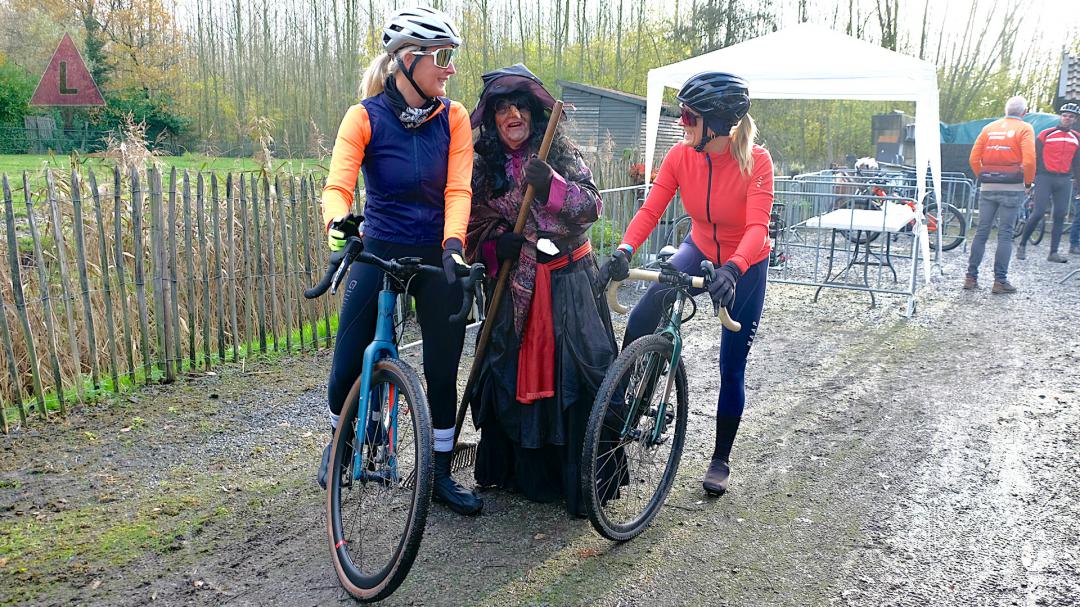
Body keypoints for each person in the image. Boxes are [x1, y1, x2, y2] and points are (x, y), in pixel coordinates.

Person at [317, 6, 482, 515]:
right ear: (408, 61)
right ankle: (342, 442)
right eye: (442, 57)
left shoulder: (453, 118)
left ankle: (438, 471)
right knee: (347, 363)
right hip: (380, 246)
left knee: (441, 369)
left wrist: (454, 244)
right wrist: (339, 226)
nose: (450, 68)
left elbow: (459, 188)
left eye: (451, 56)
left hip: (438, 252)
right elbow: (338, 186)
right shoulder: (364, 115)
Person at [598, 71, 773, 497]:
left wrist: (733, 268)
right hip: (697, 246)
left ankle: (720, 459)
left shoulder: (758, 161)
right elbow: (651, 209)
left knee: (731, 367)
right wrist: (624, 250)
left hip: (744, 264)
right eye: (681, 114)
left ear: (717, 121)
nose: (682, 123)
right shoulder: (681, 155)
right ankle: (619, 420)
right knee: (641, 318)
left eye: (689, 116)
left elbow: (757, 227)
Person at [463, 64, 617, 516]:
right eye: (502, 109)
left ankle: (577, 478)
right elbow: (472, 224)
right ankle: (517, 474)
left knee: (574, 378)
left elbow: (592, 206)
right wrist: (495, 245)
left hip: (569, 286)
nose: (512, 114)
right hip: (513, 292)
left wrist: (552, 186)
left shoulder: (560, 153)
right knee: (509, 374)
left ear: (533, 113)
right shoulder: (482, 168)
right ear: (492, 120)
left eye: (520, 107)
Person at [964, 96, 1036, 293]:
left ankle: (970, 277)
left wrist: (984, 176)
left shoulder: (989, 128)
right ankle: (999, 281)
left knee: (981, 232)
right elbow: (1029, 161)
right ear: (1024, 112)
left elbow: (973, 158)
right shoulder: (1025, 128)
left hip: (988, 187)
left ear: (1006, 110)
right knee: (1005, 234)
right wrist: (1028, 183)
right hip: (1012, 187)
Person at [1017, 103, 1080, 262]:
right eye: (1065, 115)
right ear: (1061, 116)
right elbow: (1034, 157)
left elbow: (1077, 163)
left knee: (1060, 214)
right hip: (1045, 177)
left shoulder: (1076, 138)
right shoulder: (1046, 134)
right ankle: (1022, 244)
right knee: (1038, 212)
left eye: (1071, 116)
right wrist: (1030, 179)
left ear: (1075, 119)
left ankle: (1053, 252)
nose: (1067, 118)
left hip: (1064, 179)